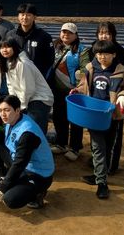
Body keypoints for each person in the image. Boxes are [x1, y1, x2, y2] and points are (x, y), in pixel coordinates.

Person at [73, 40, 124, 199]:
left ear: (113, 54)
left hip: (112, 115)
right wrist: (77, 90)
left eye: (106, 54)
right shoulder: (90, 68)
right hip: (94, 115)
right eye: (99, 54)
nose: (102, 57)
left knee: (107, 146)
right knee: (98, 147)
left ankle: (98, 174)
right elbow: (84, 85)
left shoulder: (122, 71)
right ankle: (102, 183)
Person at [0, 95, 54, 209]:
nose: (3, 114)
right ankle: (3, 176)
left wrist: (3, 188)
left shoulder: (27, 133)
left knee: (10, 199)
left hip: (37, 175)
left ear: (17, 110)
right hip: (22, 164)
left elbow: (20, 163)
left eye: (7, 110)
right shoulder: (14, 120)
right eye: (0, 110)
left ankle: (38, 193)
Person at [89, 21, 124, 174]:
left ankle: (110, 166)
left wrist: (123, 96)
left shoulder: (122, 54)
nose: (104, 36)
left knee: (113, 136)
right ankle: (99, 164)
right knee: (96, 135)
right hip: (96, 103)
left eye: (107, 33)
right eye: (101, 33)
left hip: (114, 104)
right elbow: (88, 77)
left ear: (113, 35)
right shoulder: (93, 50)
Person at [49, 22, 90, 161]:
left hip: (74, 92)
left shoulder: (82, 50)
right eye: (64, 32)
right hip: (57, 90)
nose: (66, 35)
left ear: (75, 35)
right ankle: (61, 143)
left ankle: (75, 147)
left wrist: (79, 86)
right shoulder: (54, 47)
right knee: (59, 117)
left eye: (69, 33)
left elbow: (85, 69)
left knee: (75, 120)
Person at [0, 38, 53, 134]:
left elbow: (28, 89)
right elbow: (10, 85)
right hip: (27, 100)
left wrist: (21, 107)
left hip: (39, 99)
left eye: (8, 47)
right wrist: (13, 102)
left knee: (34, 131)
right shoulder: (8, 62)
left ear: (15, 47)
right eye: (2, 47)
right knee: (25, 130)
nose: (4, 50)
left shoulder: (22, 63)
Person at [5, 3, 54, 78]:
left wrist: (41, 76)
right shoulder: (10, 35)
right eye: (22, 15)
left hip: (36, 76)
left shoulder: (44, 36)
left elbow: (49, 59)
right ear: (18, 16)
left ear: (34, 17)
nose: (25, 17)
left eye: (28, 15)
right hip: (15, 75)